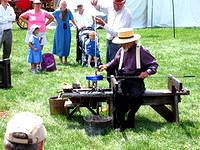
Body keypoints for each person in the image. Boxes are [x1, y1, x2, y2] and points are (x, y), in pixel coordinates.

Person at [98, 28, 159, 131]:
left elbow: (154, 65)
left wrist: (146, 72)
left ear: (131, 41)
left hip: (136, 80)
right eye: (121, 43)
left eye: (124, 43)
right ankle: (120, 123)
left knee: (136, 96)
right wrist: (106, 66)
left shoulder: (141, 50)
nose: (121, 46)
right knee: (119, 96)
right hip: (122, 79)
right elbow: (114, 62)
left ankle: (130, 118)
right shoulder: (121, 50)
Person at [91, 0, 132, 78]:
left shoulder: (127, 14)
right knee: (109, 65)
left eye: (119, 5)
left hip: (119, 42)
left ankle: (117, 84)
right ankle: (111, 84)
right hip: (110, 41)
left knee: (116, 65)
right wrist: (95, 4)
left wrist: (104, 24)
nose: (116, 6)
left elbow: (118, 33)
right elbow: (100, 7)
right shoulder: (110, 7)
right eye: (115, 4)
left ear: (124, 3)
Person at [52, 0, 78, 65]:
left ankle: (65, 59)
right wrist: (55, 21)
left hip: (67, 30)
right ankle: (61, 59)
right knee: (60, 44)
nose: (64, 6)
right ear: (60, 5)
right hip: (59, 30)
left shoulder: (68, 11)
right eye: (62, 4)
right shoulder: (57, 12)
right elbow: (51, 17)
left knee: (67, 43)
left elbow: (72, 19)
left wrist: (77, 26)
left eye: (65, 5)